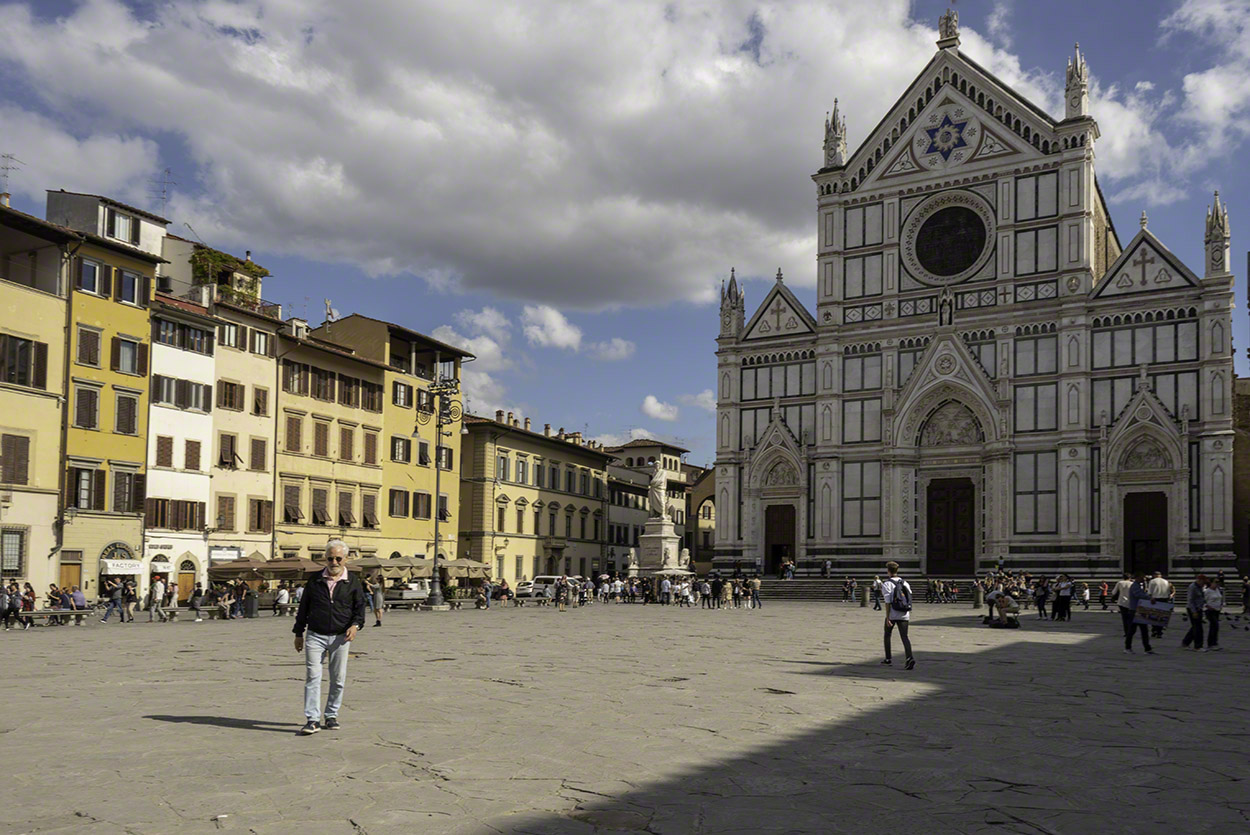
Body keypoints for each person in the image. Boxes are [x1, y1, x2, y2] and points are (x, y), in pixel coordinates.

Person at [294, 539, 365, 735]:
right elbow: (304, 608)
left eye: (338, 558)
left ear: (346, 559)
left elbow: (359, 608)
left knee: (338, 679)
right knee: (313, 676)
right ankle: (312, 719)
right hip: (315, 635)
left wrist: (355, 626)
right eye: (330, 558)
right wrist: (298, 633)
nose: (334, 562)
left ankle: (331, 715)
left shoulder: (353, 582)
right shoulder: (315, 580)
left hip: (341, 636)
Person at [880, 562, 914, 669]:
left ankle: (888, 658)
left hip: (893, 614)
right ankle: (909, 657)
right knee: (905, 637)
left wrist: (888, 617)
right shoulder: (905, 583)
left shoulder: (887, 584)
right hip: (904, 613)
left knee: (887, 634)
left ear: (888, 571)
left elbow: (887, 602)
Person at [1122, 573, 1154, 654]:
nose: (1144, 578)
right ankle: (1128, 647)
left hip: (1139, 610)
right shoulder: (1135, 586)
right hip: (1135, 611)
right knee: (1133, 630)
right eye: (1142, 577)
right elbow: (1138, 594)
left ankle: (1147, 648)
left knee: (1143, 630)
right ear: (1138, 577)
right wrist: (1149, 598)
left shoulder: (1138, 585)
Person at [1181, 575, 1207, 651]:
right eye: (1203, 582)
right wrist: (1194, 611)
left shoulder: (1199, 587)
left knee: (1195, 627)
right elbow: (1190, 600)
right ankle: (1198, 646)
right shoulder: (1192, 587)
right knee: (1198, 628)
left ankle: (1185, 642)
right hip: (1193, 609)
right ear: (1199, 580)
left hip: (1199, 608)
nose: (1204, 584)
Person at [1146, 572, 1173, 639]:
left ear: (1154, 575)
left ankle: (1154, 630)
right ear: (1160, 575)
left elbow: (1150, 592)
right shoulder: (1166, 581)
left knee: (1154, 615)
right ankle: (1159, 632)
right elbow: (1169, 591)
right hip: (1164, 599)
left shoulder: (1152, 581)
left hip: (1155, 599)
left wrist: (1150, 598)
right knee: (1162, 615)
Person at [1203, 579, 1224, 652]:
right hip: (1210, 611)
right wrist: (1207, 606)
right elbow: (1203, 600)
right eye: (1215, 583)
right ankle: (1211, 644)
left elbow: (1220, 598)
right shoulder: (1207, 591)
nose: (1217, 584)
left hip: (1217, 611)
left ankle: (1214, 643)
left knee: (1215, 627)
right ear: (1211, 583)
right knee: (1214, 625)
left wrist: (1221, 605)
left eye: (1218, 583)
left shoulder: (1217, 590)